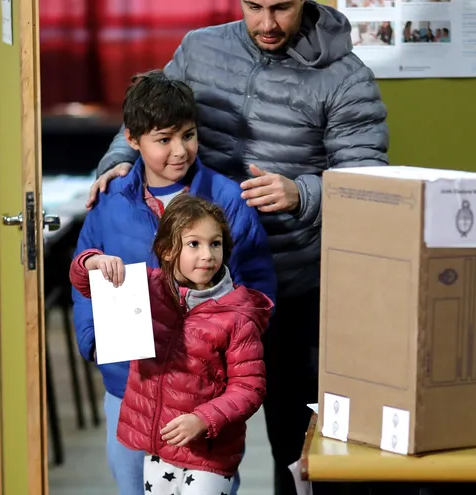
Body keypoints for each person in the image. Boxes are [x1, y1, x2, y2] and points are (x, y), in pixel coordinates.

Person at [86, 2, 389, 492]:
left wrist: (303, 192)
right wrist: (117, 161)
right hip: (187, 292)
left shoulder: (347, 77)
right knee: (180, 442)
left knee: (296, 444)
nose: (267, 23)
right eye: (254, 7)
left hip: (290, 288)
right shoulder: (199, 49)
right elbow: (150, 119)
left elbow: (369, 180)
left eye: (282, 8)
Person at [72, 70, 276, 495]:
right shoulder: (110, 203)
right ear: (132, 140)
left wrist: (233, 338)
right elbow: (84, 273)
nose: (180, 151)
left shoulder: (227, 198)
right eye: (163, 139)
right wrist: (95, 342)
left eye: (188, 135)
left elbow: (257, 284)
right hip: (129, 385)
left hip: (203, 394)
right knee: (133, 486)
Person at [70, 194, 274, 495]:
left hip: (208, 455)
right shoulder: (145, 289)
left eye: (215, 244)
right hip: (160, 448)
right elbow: (84, 281)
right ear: (167, 250)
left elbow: (249, 387)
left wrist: (203, 419)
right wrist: (93, 260)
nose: (207, 255)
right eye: (194, 244)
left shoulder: (238, 314)